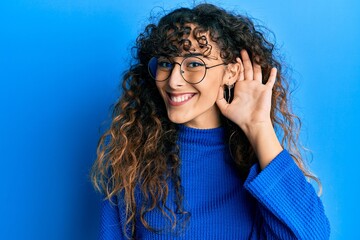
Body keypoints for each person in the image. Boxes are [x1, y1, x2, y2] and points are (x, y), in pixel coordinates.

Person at [91, 3, 330, 239]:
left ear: (231, 72)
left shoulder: (253, 165)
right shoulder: (132, 161)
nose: (174, 80)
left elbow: (313, 236)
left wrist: (258, 126)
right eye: (166, 63)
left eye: (194, 64)